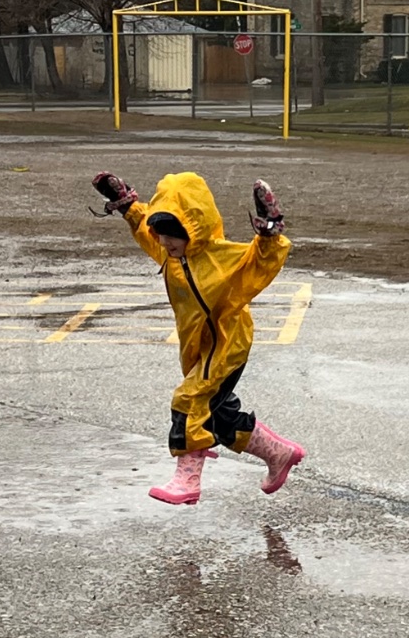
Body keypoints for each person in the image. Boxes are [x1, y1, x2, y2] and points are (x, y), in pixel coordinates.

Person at [91, 170, 305, 506]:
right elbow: (145, 227)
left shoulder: (222, 257)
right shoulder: (170, 255)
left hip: (226, 344)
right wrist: (127, 207)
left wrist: (269, 229)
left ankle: (187, 480)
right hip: (197, 348)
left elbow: (261, 259)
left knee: (190, 400)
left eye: (172, 236)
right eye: (160, 235)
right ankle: (279, 454)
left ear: (193, 228)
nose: (164, 243)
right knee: (218, 418)